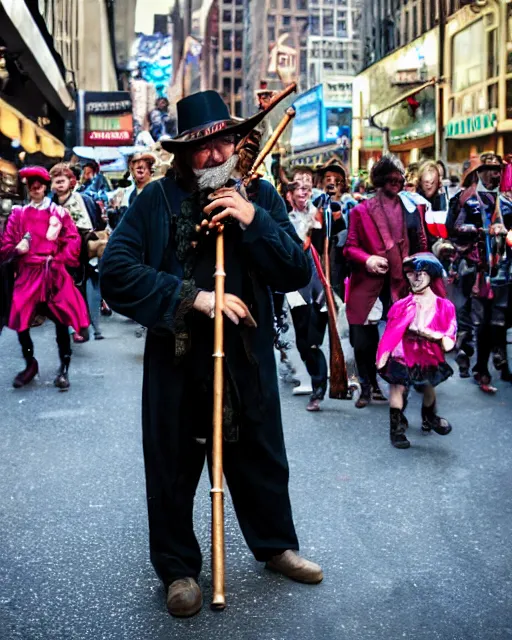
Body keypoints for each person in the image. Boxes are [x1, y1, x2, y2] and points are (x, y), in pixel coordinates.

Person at [100, 90, 323, 618]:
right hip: (177, 363)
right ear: (183, 153)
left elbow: (296, 271)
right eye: (203, 147)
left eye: (224, 141)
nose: (217, 155)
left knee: (261, 454)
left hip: (246, 361)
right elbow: (116, 273)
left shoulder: (260, 195)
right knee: (173, 465)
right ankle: (178, 569)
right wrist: (195, 298)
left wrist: (253, 219)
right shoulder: (155, 200)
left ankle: (275, 547)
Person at [344, 155, 428, 408]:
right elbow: (349, 247)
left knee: (402, 339)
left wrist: (418, 269)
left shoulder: (412, 208)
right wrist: (368, 259)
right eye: (390, 178)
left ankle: (396, 386)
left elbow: (422, 244)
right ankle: (368, 387)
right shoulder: (361, 211)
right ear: (379, 180)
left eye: (399, 177)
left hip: (400, 284)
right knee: (363, 341)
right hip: (368, 284)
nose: (396, 182)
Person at [0, 166, 89, 390]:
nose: (36, 186)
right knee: (21, 323)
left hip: (52, 274)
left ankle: (64, 368)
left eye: (39, 182)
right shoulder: (18, 214)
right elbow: (6, 244)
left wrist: (58, 259)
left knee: (61, 321)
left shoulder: (59, 213)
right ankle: (30, 364)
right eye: (31, 182)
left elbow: (73, 239)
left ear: (45, 185)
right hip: (27, 275)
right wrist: (16, 250)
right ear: (28, 187)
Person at [376, 253, 456, 449]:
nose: (416, 277)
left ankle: (429, 416)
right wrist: (383, 356)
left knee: (428, 386)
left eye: (421, 273)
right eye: (411, 273)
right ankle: (396, 429)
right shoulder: (400, 306)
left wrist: (430, 334)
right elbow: (390, 333)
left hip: (427, 356)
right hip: (401, 353)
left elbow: (449, 341)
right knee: (397, 387)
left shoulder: (444, 306)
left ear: (432, 275)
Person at [447, 153, 512, 392]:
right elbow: (454, 229)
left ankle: (496, 362)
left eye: (498, 170)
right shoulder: (468, 200)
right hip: (476, 270)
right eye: (490, 169)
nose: (495, 174)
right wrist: (482, 230)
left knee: (499, 320)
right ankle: (479, 369)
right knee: (480, 322)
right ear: (480, 172)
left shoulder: (506, 203)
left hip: (503, 270)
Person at [416, 160, 450, 248]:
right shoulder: (416, 201)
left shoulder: (441, 199)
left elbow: (444, 226)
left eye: (432, 182)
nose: (429, 185)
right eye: (426, 182)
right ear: (420, 181)